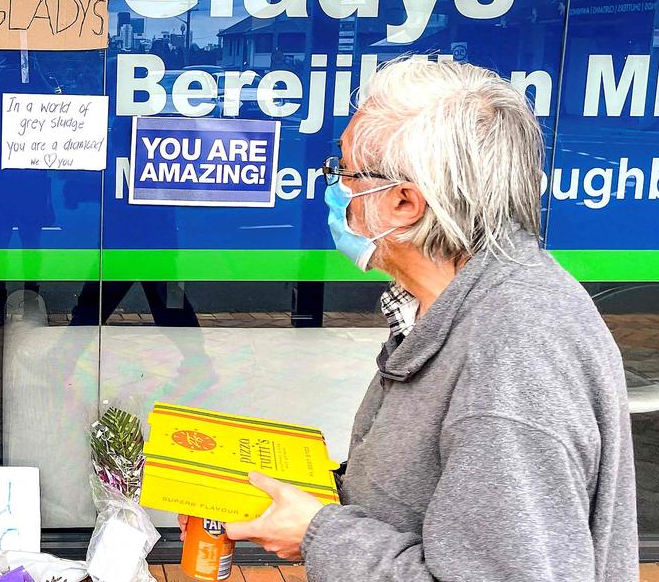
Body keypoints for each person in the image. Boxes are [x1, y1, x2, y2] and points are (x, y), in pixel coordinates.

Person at [187, 59, 637, 580]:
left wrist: (319, 532)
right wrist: (306, 498)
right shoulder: (453, 300)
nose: (335, 190)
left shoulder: (514, 357)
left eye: (346, 172)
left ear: (404, 202)